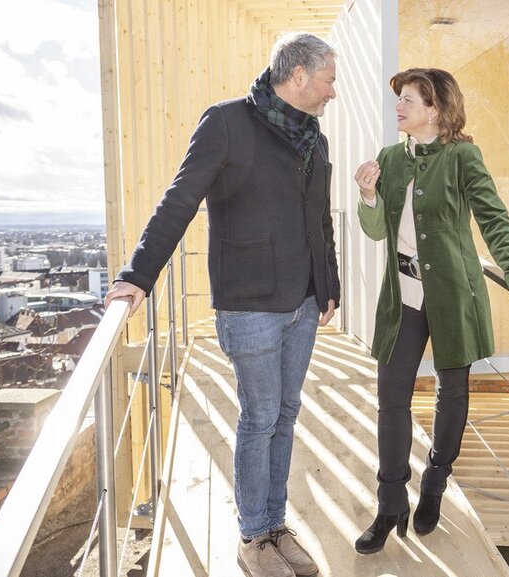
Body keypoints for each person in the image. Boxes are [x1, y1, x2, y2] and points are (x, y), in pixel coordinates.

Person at [105, 32, 339, 577]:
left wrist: (328, 284)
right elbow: (178, 200)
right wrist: (138, 275)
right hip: (250, 303)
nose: (333, 91)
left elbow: (319, 219)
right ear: (299, 76)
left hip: (304, 301)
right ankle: (254, 536)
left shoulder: (315, 139)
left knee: (285, 413)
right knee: (259, 418)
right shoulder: (227, 123)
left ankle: (275, 524)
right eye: (328, 79)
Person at [352, 68, 509, 554]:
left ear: (436, 109)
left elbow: (493, 218)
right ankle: (390, 502)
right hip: (402, 297)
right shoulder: (390, 159)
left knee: (451, 392)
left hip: (453, 293)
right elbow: (377, 232)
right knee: (391, 399)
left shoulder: (463, 156)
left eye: (409, 100)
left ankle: (435, 483)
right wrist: (368, 196)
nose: (398, 107)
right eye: (399, 99)